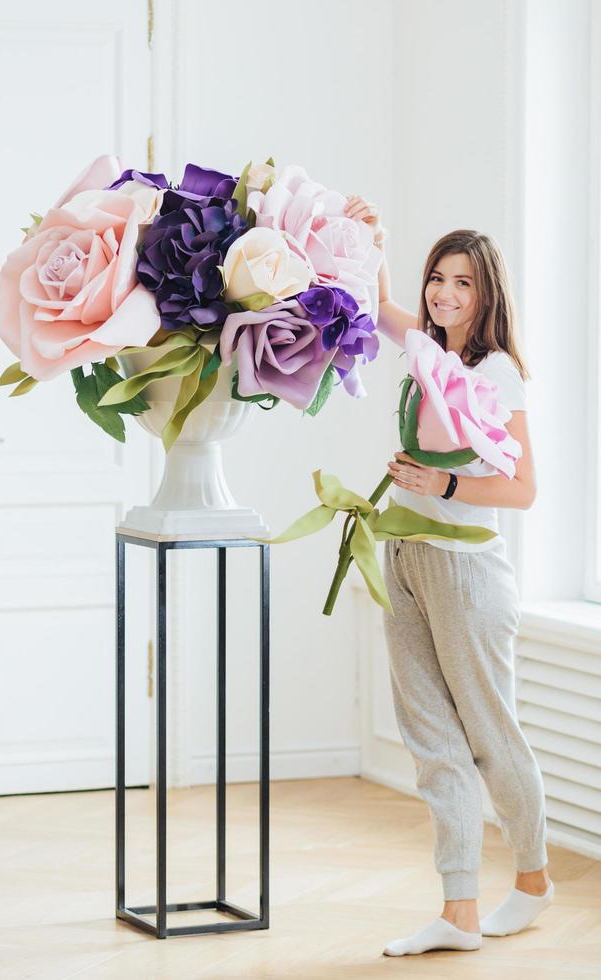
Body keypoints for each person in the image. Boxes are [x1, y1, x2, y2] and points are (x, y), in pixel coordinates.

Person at [343, 197, 554, 957]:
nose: (446, 294)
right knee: (433, 742)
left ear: (486, 293)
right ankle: (458, 910)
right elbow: (380, 305)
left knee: (492, 738)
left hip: (467, 573)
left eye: (463, 283)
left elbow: (524, 490)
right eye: (439, 278)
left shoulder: (498, 373)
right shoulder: (426, 353)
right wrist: (372, 239)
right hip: (404, 558)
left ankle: (531, 883)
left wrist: (445, 487)